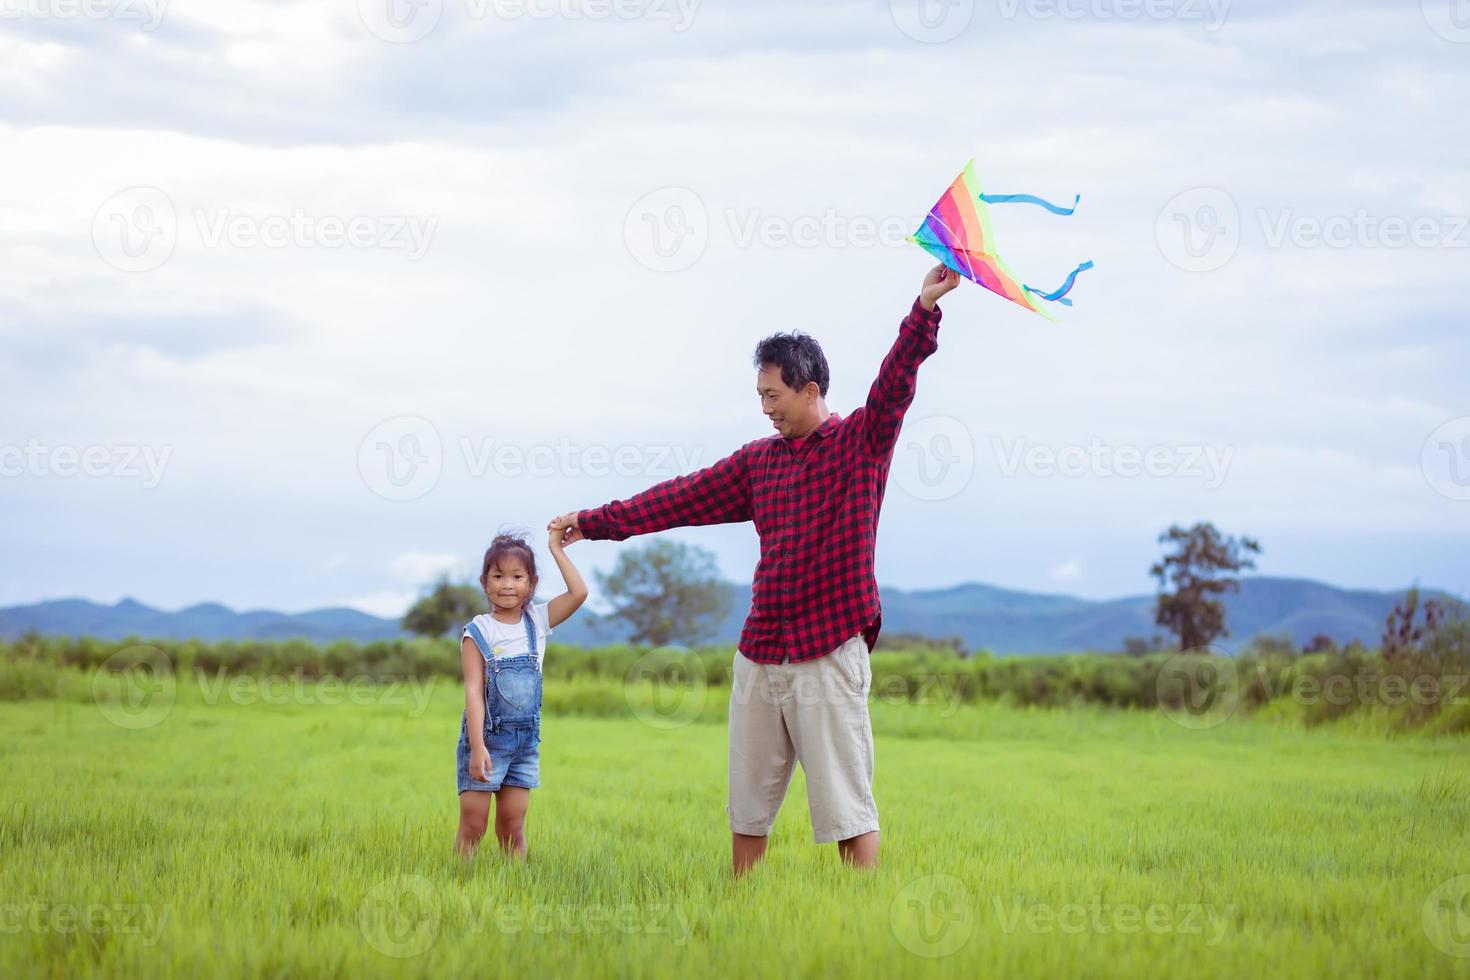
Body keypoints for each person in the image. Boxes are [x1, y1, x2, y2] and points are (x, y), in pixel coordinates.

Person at [550, 263, 961, 875]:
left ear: (811, 390)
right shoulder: (757, 463)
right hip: (761, 650)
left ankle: (865, 924)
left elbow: (894, 385)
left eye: (774, 396)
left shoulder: (860, 444)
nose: (766, 408)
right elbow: (679, 498)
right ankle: (742, 908)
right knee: (747, 808)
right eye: (761, 396)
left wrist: (923, 309)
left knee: (848, 810)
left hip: (827, 651)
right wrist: (597, 520)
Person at [453, 524, 587, 859]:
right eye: (497, 576)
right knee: (474, 824)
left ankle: (516, 884)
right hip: (487, 740)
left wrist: (558, 549)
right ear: (485, 583)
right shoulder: (478, 630)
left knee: (512, 824)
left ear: (531, 584)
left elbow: (579, 593)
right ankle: (457, 881)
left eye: (517, 576)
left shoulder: (537, 621)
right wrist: (479, 747)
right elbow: (472, 691)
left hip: (525, 743)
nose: (507, 585)